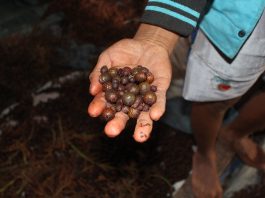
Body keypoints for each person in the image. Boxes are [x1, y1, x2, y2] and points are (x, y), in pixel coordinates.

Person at [88, 0, 265, 197]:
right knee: (213, 103)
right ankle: (205, 152)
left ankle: (235, 133)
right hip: (238, 35)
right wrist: (156, 35)